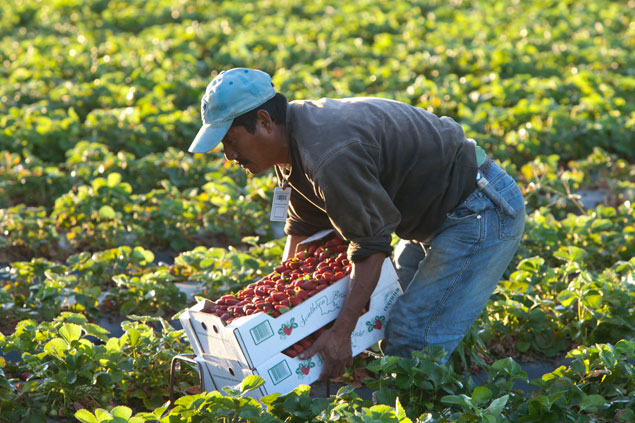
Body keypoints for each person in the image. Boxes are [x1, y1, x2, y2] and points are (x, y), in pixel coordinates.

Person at [188, 67, 525, 381]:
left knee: (410, 338)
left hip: (478, 210)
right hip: (433, 215)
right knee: (386, 312)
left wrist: (341, 331)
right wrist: (280, 309)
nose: (229, 156)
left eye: (231, 141)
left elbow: (371, 246)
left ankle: (435, 406)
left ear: (263, 121)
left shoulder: (329, 156)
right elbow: (302, 225)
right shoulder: (291, 138)